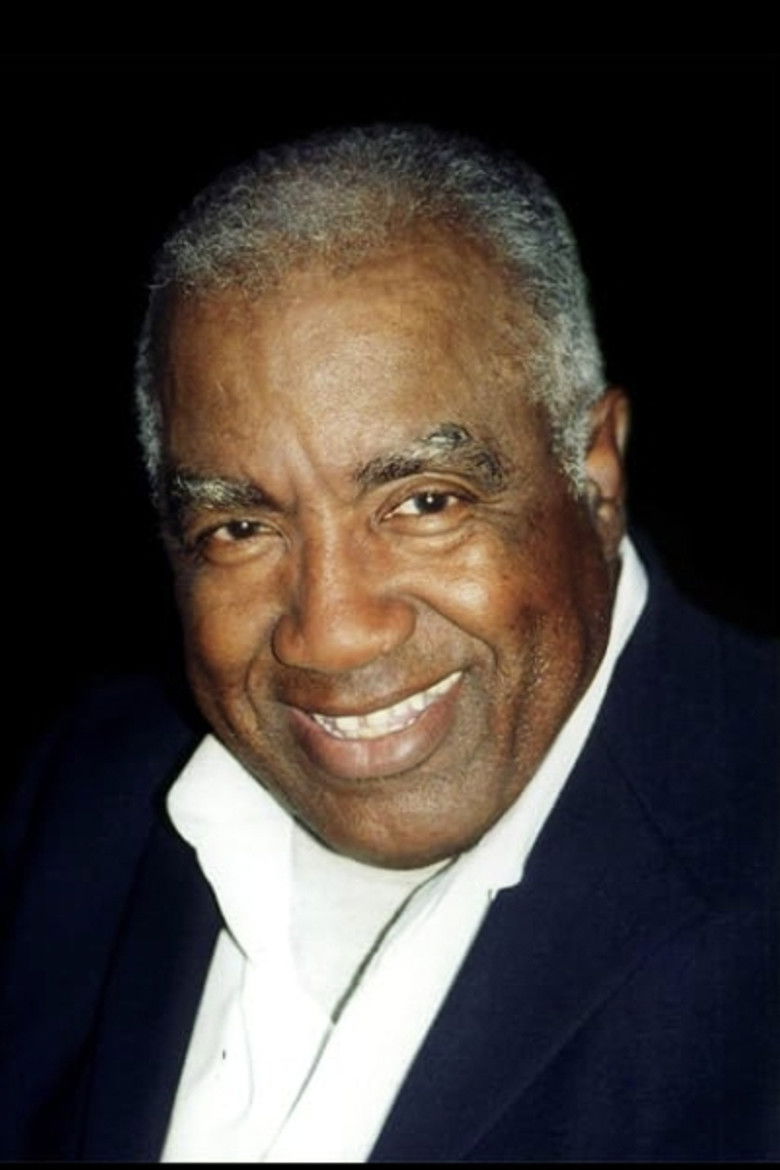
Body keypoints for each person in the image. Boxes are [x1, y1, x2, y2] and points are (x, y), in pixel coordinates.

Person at [0, 124, 776, 1162]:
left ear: (593, 473)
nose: (332, 634)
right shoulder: (84, 797)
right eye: (240, 527)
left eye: (424, 502)